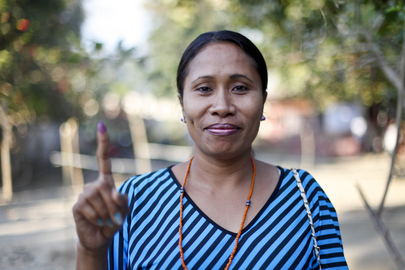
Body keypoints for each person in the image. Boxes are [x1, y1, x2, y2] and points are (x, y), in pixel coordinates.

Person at [73, 30, 348, 270]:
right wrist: (90, 251)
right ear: (182, 104)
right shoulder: (132, 201)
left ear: (263, 101)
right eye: (204, 88)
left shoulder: (305, 198)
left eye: (240, 88)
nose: (222, 106)